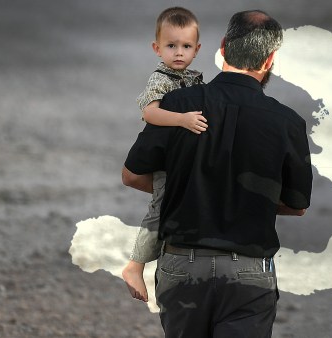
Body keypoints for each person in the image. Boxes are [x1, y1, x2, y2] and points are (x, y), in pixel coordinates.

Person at [122, 9, 313, 338]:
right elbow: (296, 205)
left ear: (222, 48)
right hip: (249, 272)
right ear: (269, 60)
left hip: (182, 266)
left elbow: (132, 175)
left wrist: (188, 189)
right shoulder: (288, 123)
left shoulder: (177, 104)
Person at [121, 7, 207, 303]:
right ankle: (135, 265)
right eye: (171, 46)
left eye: (185, 46)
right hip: (165, 158)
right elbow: (150, 112)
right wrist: (182, 119)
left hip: (185, 157)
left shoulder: (196, 79)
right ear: (157, 48)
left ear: (197, 49)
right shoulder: (160, 78)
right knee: (160, 206)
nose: (179, 53)